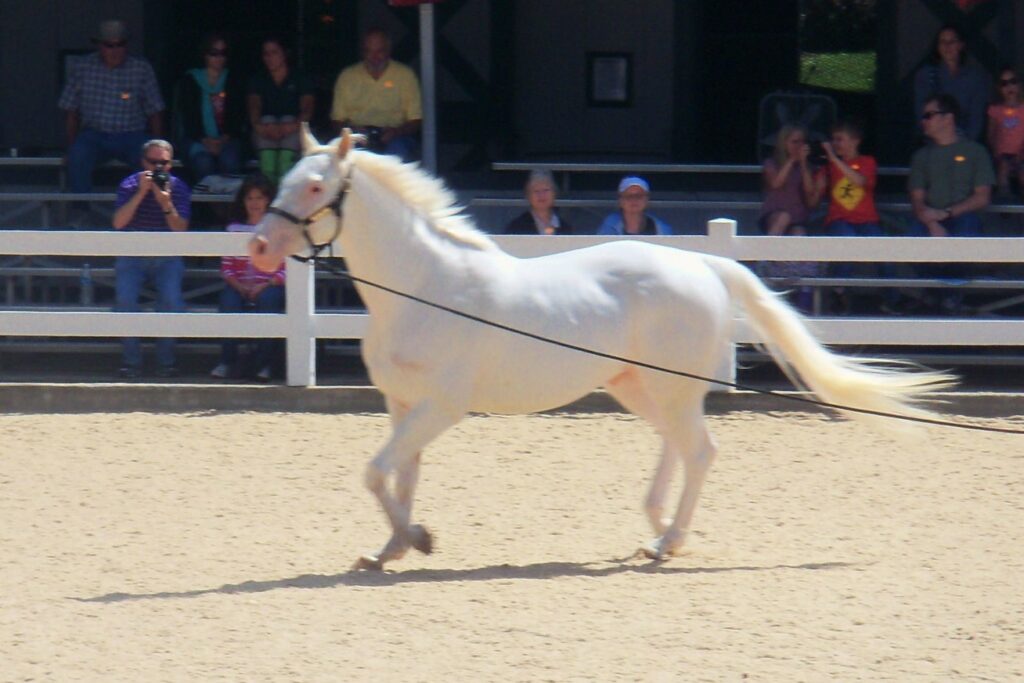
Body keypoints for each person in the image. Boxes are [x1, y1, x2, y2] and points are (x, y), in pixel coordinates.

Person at [906, 93, 995, 313]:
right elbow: (917, 200)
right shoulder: (921, 156)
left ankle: (947, 297)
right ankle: (937, 295)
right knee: (912, 238)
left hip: (961, 218)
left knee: (966, 233)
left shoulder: (976, 152)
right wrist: (931, 223)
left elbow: (982, 196)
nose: (923, 121)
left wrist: (946, 214)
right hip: (929, 220)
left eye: (929, 115)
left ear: (948, 118)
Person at [58, 19, 165, 199]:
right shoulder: (82, 68)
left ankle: (144, 215)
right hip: (94, 134)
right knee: (77, 156)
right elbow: (71, 111)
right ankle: (81, 213)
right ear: (99, 45)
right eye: (109, 45)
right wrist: (70, 146)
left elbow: (155, 111)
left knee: (151, 161)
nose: (115, 50)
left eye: (120, 44)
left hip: (132, 135)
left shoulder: (141, 68)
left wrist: (160, 148)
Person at [112, 139, 191, 379]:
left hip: (167, 253)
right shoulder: (129, 184)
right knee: (125, 302)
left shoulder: (178, 187)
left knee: (170, 301)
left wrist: (166, 203)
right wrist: (141, 193)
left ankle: (166, 362)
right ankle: (131, 362)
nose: (158, 168)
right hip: (132, 253)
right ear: (142, 162)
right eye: (153, 162)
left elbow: (180, 229)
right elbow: (118, 223)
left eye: (163, 163)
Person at [210, 174, 285, 381]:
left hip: (269, 284)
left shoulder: (278, 230)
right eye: (250, 198)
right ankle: (227, 360)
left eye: (259, 198)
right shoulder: (234, 229)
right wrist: (239, 286)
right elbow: (226, 267)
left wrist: (265, 284)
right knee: (228, 302)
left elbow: (285, 267)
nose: (254, 203)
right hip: (238, 285)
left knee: (269, 303)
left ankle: (264, 364)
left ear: (268, 200)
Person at [815, 117, 884, 313]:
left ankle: (891, 296)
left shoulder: (867, 162)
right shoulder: (827, 167)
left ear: (855, 141)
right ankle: (838, 292)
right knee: (847, 240)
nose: (836, 144)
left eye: (840, 139)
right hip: (839, 220)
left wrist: (835, 160)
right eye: (833, 140)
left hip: (867, 221)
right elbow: (813, 199)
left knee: (885, 248)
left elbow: (860, 181)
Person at [758, 124, 825, 313]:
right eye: (794, 142)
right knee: (783, 218)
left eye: (802, 142)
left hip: (797, 218)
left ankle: (801, 290)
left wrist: (802, 163)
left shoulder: (806, 167)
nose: (799, 145)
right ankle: (765, 257)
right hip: (774, 215)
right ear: (784, 143)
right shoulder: (772, 163)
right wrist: (790, 161)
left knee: (800, 235)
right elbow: (776, 183)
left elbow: (810, 192)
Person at [330, 27, 422, 161]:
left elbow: (416, 120)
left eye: (380, 51)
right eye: (369, 51)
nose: (374, 57)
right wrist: (352, 131)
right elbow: (336, 120)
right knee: (348, 161)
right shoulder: (347, 76)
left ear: (389, 50)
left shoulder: (405, 75)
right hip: (357, 137)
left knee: (396, 156)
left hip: (396, 137)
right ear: (362, 52)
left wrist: (396, 132)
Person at [175, 33, 245, 183]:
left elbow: (238, 116)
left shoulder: (234, 79)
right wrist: (206, 141)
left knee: (229, 161)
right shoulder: (191, 80)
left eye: (223, 53)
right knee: (203, 163)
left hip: (228, 139)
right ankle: (210, 206)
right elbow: (188, 117)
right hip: (197, 139)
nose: (219, 57)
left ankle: (229, 205)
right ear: (205, 55)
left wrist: (222, 140)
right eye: (214, 53)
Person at [247, 36, 314, 184]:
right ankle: (268, 185)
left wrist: (291, 126)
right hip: (266, 130)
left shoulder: (300, 78)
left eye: (274, 53)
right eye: (266, 54)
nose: (270, 58)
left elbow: (307, 109)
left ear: (284, 54)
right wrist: (259, 125)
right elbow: (254, 107)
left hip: (293, 129)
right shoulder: (258, 79)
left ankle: (285, 184)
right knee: (267, 120)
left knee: (289, 119)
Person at [913, 24, 989, 142]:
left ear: (961, 45)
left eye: (952, 41)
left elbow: (976, 118)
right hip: (933, 144)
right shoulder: (926, 76)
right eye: (943, 41)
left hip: (965, 143)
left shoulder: (975, 78)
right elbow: (922, 113)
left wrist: (964, 144)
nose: (947, 46)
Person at [986, 67, 1024, 199]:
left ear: (1019, 84)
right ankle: (1005, 201)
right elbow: (991, 134)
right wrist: (997, 152)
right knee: (1003, 168)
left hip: (1022, 153)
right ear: (999, 88)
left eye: (1013, 81)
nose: (1009, 86)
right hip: (1002, 155)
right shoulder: (995, 110)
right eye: (1004, 83)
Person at [503, 170, 573, 235]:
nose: (541, 195)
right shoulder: (516, 228)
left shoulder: (566, 228)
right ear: (528, 196)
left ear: (554, 193)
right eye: (536, 191)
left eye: (546, 190)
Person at [597, 176, 672, 236]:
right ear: (620, 200)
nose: (634, 200)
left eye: (639, 196)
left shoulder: (661, 229)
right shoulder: (609, 226)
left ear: (647, 200)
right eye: (628, 196)